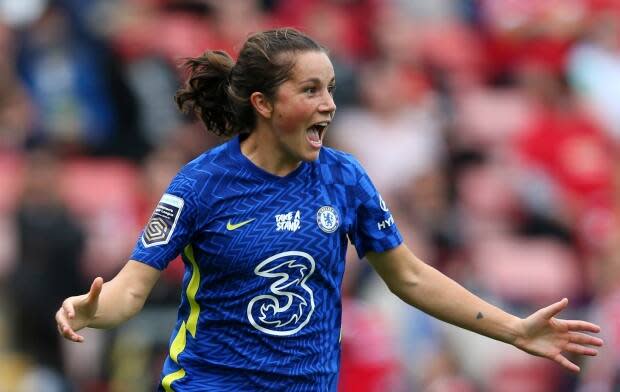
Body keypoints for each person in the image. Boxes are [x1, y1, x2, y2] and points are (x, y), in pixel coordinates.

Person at [55, 28, 603, 391]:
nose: (330, 104)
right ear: (263, 104)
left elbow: (409, 276)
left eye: (332, 89)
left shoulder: (344, 177)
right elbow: (127, 292)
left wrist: (512, 329)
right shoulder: (200, 184)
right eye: (311, 90)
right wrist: (88, 311)